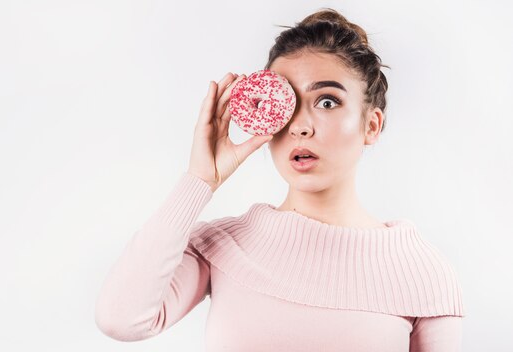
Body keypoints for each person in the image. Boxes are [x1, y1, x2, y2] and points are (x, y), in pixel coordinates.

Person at [95, 8, 465, 351]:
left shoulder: (422, 272)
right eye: (286, 104)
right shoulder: (222, 246)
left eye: (327, 102)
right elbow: (120, 320)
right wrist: (199, 180)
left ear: (371, 125)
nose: (300, 126)